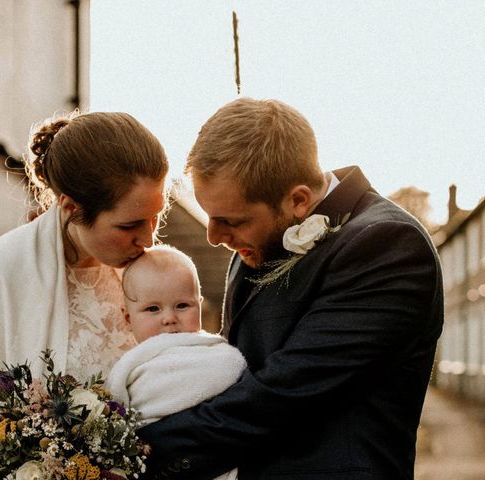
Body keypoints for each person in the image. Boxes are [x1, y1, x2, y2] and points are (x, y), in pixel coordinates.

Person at [138, 98, 444, 480]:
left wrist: (135, 452)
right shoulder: (256, 244)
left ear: (298, 200)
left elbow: (283, 392)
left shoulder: (387, 243)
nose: (214, 237)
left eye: (229, 220)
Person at [0, 110, 169, 480]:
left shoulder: (153, 274)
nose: (148, 239)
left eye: (155, 217)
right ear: (70, 207)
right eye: (129, 225)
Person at [106, 244, 246, 480]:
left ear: (199, 305)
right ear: (128, 318)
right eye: (153, 309)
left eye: (182, 305)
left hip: (221, 456)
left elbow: (233, 370)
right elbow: (116, 408)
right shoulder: (129, 366)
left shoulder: (216, 351)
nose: (169, 318)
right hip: (160, 460)